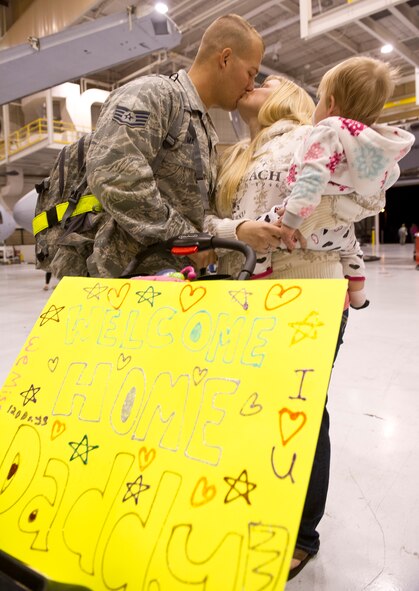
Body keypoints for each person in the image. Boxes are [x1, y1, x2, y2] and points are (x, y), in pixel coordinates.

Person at [203, 75, 369, 580]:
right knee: (248, 406)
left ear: (292, 96)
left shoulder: (312, 138)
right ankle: (256, 501)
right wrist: (235, 232)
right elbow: (206, 222)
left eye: (266, 78)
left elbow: (349, 212)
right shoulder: (235, 155)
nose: (252, 81)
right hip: (245, 292)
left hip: (310, 292)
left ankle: (302, 532)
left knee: (302, 411)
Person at [51, 14, 264, 279]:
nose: (250, 86)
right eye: (251, 73)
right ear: (225, 58)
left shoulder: (202, 126)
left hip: (164, 279)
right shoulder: (153, 95)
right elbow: (114, 174)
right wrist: (185, 240)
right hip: (118, 279)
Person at [262, 57, 414, 257]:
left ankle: (259, 269)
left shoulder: (327, 132)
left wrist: (291, 220)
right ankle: (357, 283)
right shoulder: (368, 149)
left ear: (330, 104)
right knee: (353, 254)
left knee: (262, 234)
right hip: (341, 234)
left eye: (320, 100)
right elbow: (392, 174)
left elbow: (312, 179)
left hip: (304, 228)